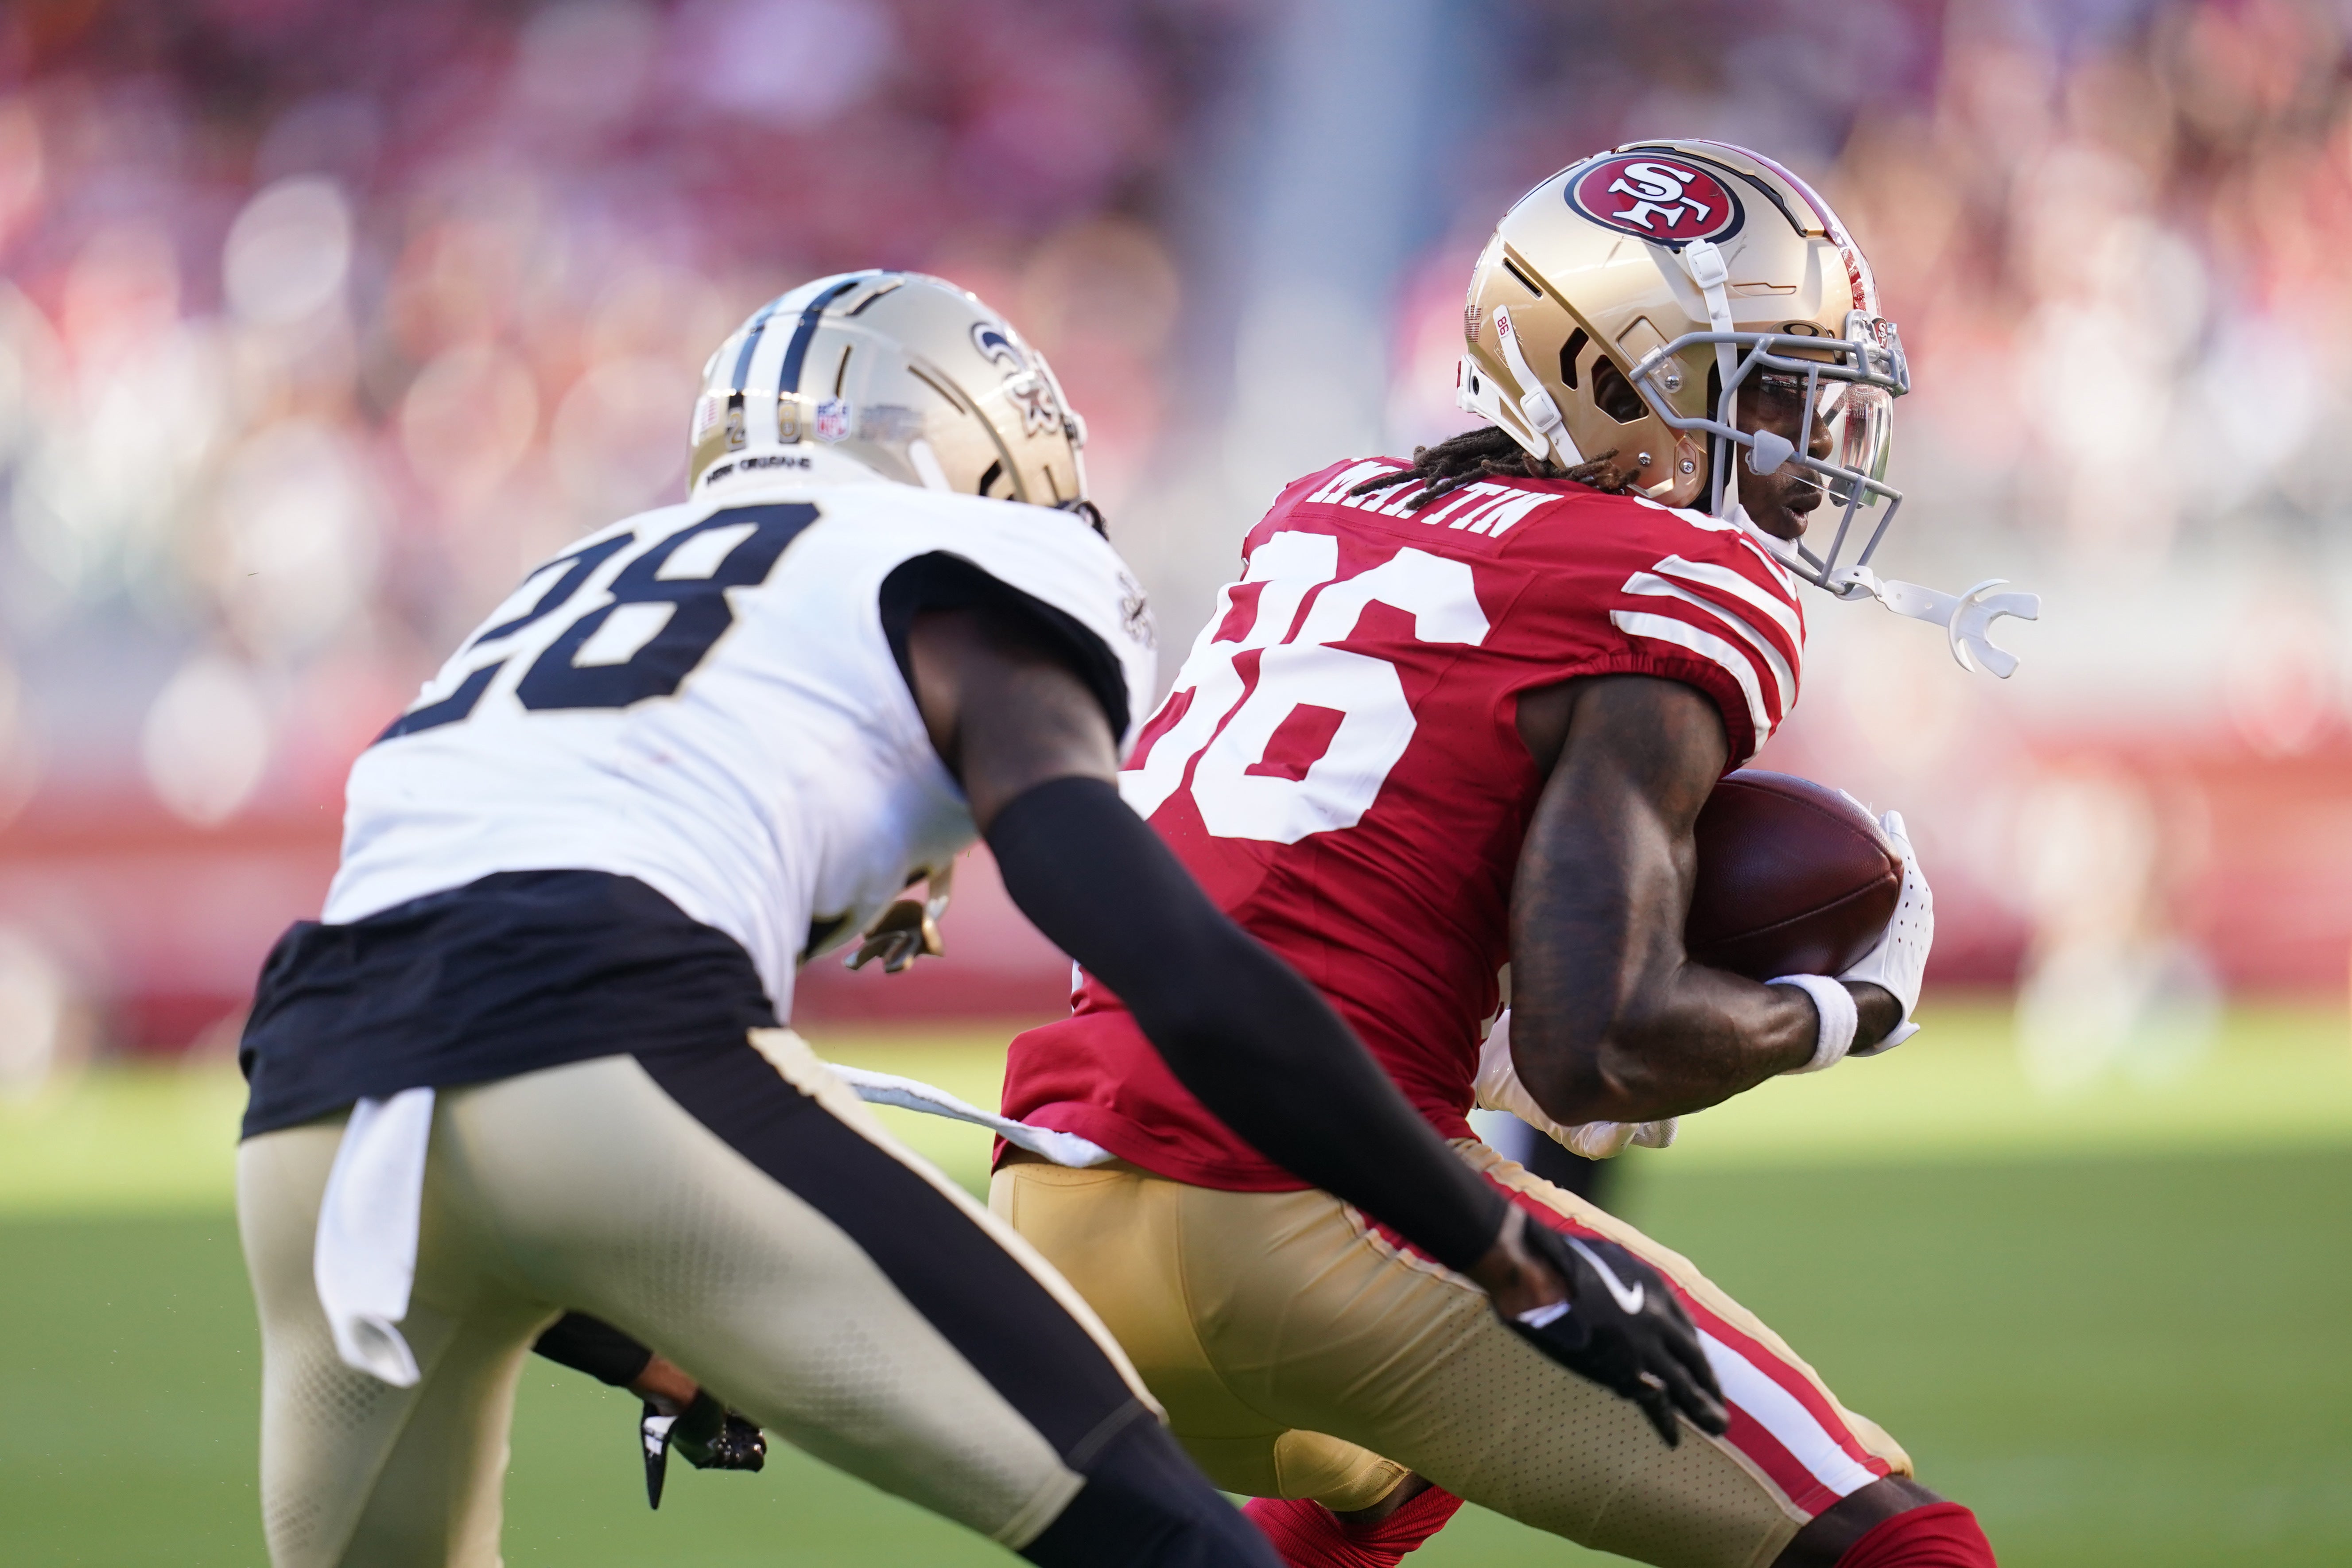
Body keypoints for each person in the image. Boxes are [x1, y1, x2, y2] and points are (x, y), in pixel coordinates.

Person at [231, 269, 1723, 1568]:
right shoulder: (974, 566)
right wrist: (1501, 1253)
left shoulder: (557, 587)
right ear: (982, 450)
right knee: (1163, 1537)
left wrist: (648, 1340)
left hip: (309, 1116)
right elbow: (1181, 969)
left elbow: (418, 1055)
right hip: (609, 1044)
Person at [986, 144, 2017, 1568]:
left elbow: (1289, 878)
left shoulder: (1322, 513)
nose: (1810, 439)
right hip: (1304, 1219)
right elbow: (1603, 1044)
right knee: (1899, 1545)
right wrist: (1846, 1011)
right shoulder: (1670, 581)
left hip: (1053, 1206)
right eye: (1767, 386)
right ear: (1610, 383)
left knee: (1397, 1469)